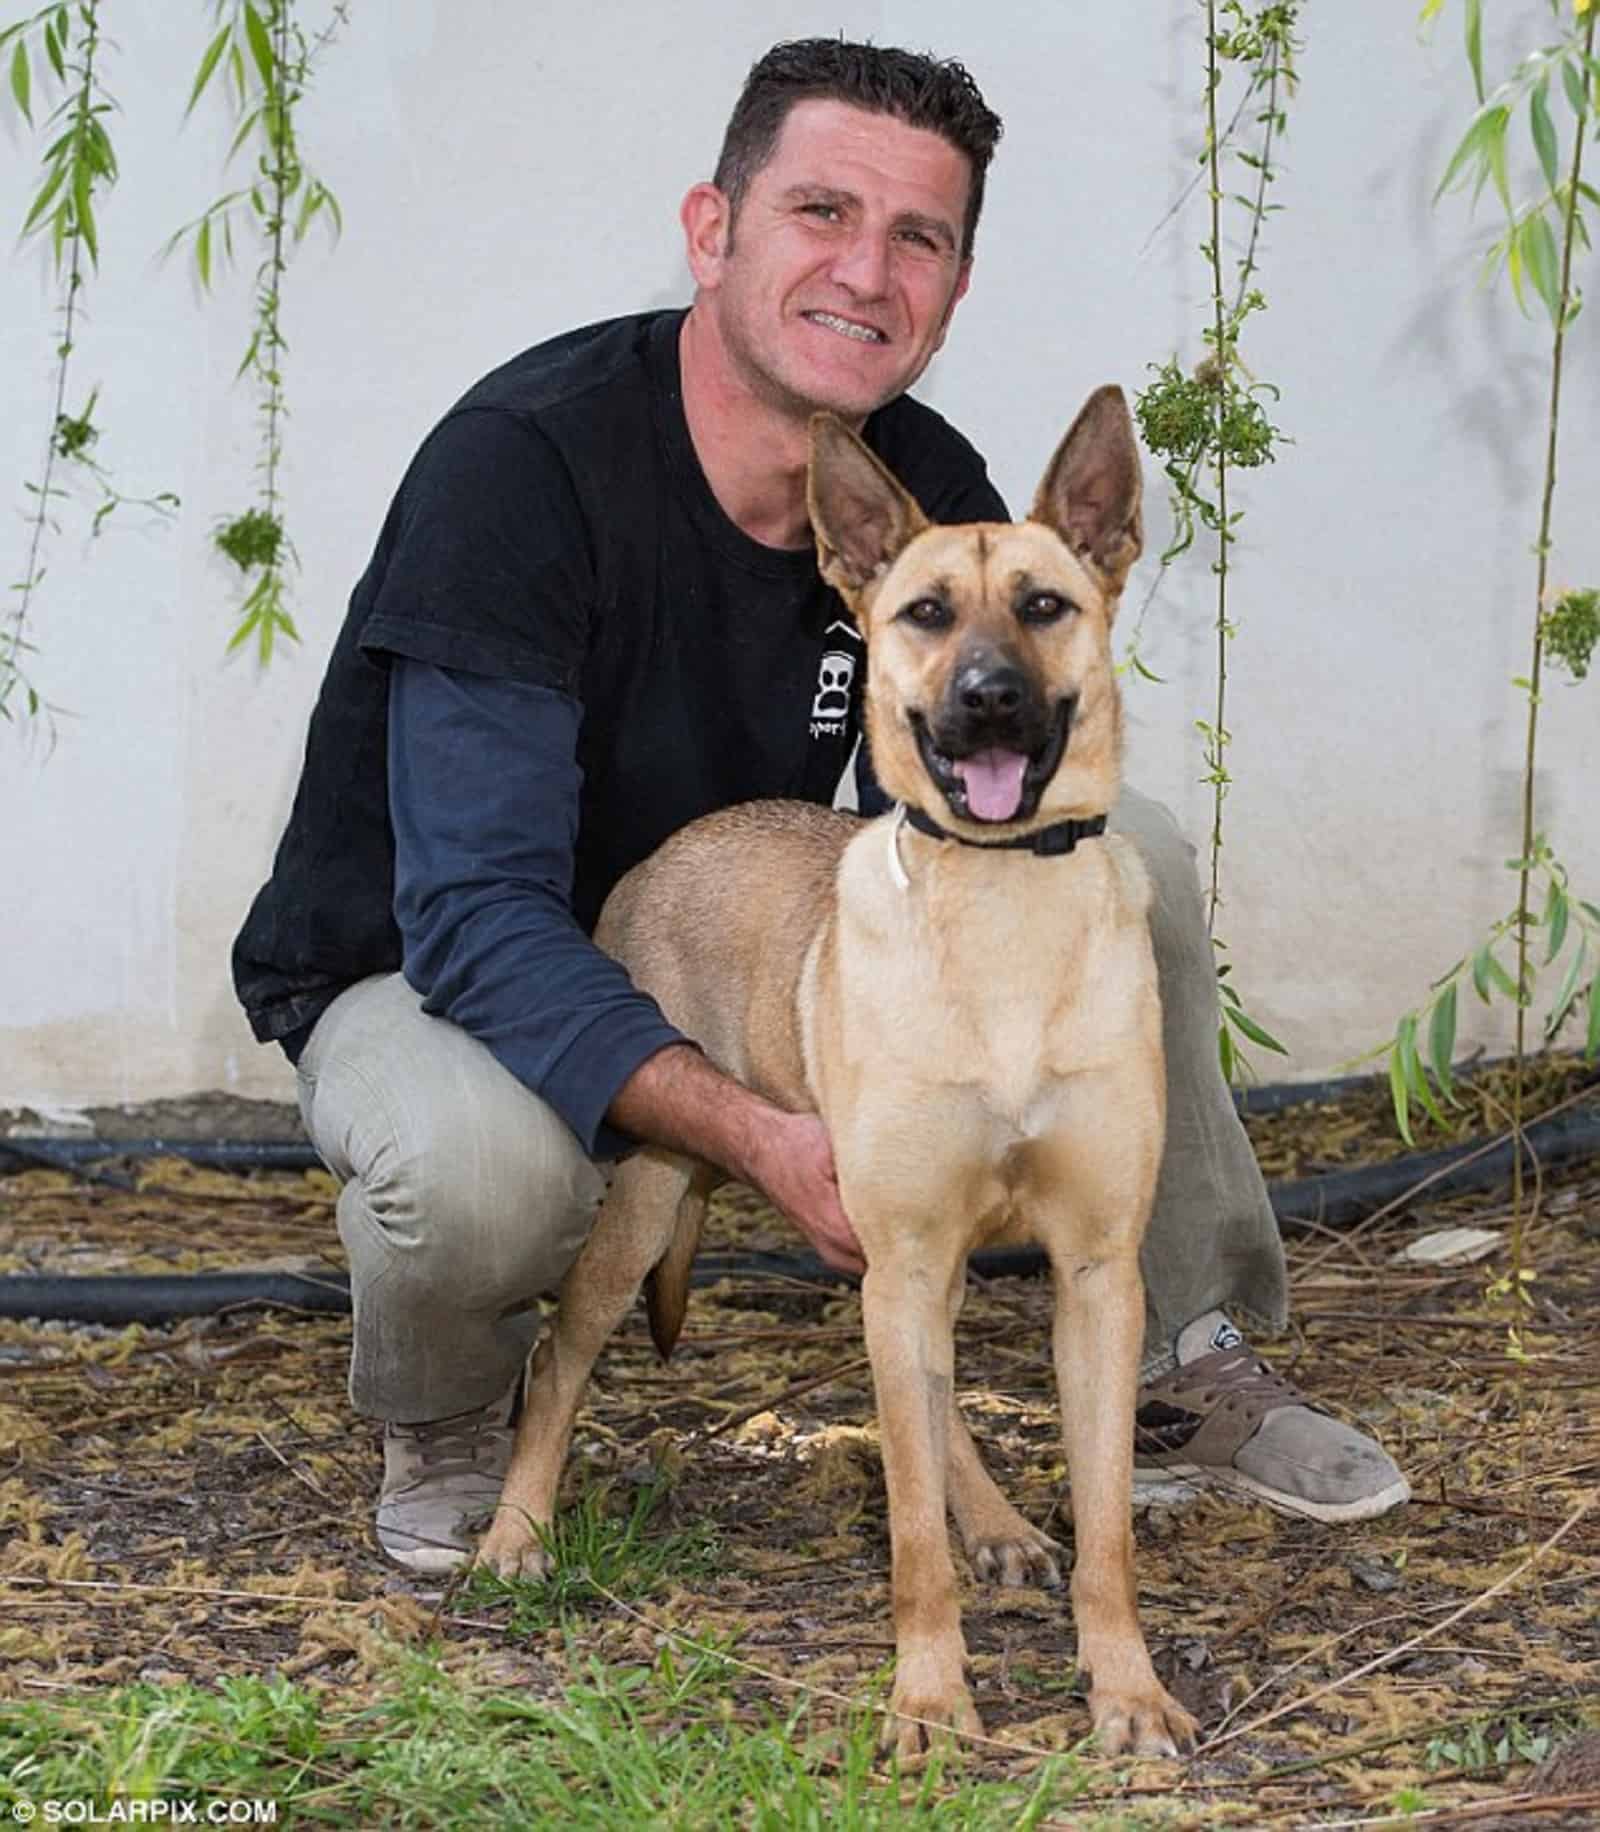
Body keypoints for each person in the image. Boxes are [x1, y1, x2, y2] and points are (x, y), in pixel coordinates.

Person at [233, 39, 1408, 1574]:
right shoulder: (518, 473)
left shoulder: (921, 481)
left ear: (956, 286)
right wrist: (770, 1133)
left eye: (917, 236)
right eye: (820, 213)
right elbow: (473, 912)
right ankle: (451, 1409)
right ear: (712, 229)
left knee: (1130, 865)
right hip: (431, 962)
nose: (867, 269)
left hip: (734, 916)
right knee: (484, 1180)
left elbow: (931, 826)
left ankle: (1177, 1352)